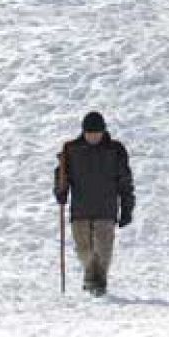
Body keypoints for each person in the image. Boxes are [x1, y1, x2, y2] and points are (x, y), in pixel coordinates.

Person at [54, 112, 135, 297]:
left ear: (103, 131)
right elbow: (61, 175)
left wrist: (127, 208)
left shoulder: (115, 150)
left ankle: (98, 282)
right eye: (90, 133)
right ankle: (90, 276)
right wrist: (60, 191)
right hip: (80, 208)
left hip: (106, 208)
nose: (93, 137)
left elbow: (125, 181)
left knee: (103, 249)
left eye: (97, 133)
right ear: (83, 132)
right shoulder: (71, 149)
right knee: (84, 249)